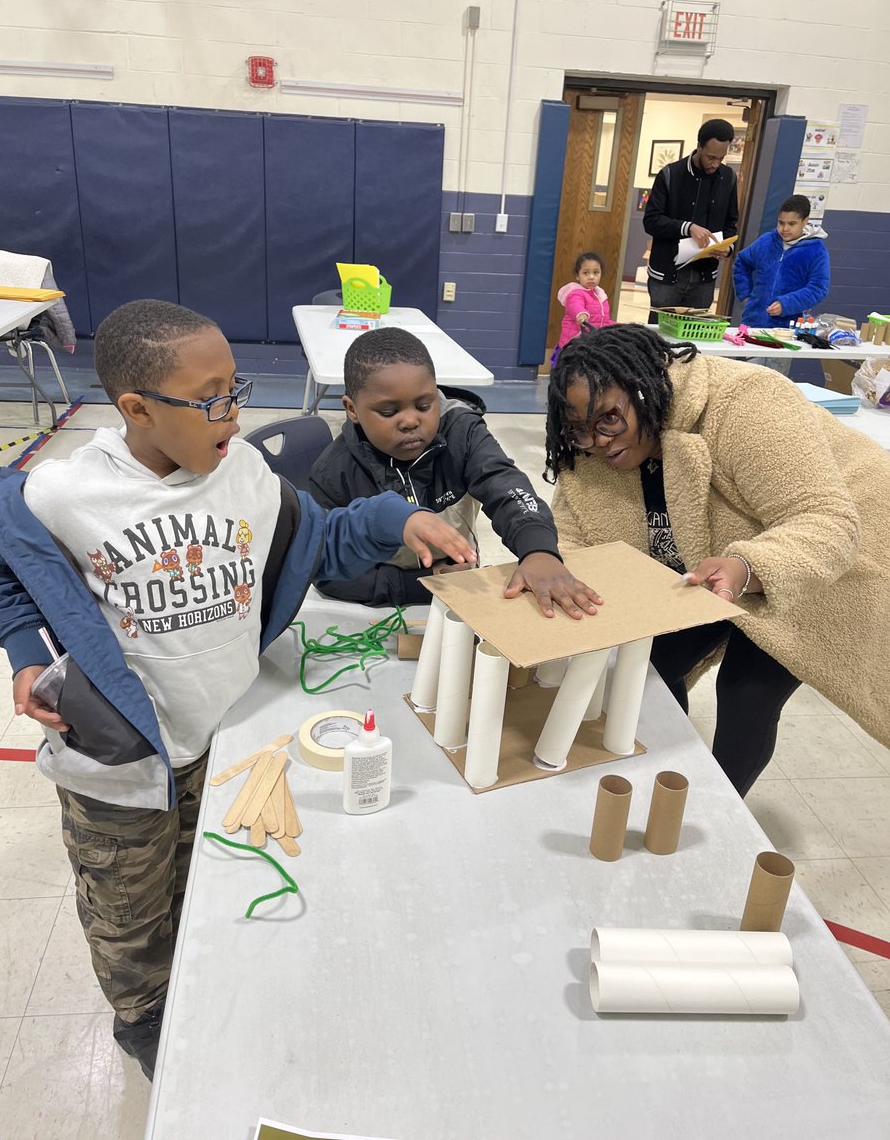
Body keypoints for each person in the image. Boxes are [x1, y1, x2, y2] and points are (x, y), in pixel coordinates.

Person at [0, 300, 478, 1080]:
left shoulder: (241, 472)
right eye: (210, 397)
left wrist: (396, 520)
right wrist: (22, 651)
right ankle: (145, 1022)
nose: (235, 412)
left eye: (234, 388)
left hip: (223, 740)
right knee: (129, 921)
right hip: (118, 770)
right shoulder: (62, 494)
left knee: (203, 887)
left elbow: (318, 538)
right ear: (137, 409)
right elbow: (1, 563)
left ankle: (199, 987)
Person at [544, 324, 890, 796]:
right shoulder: (587, 449)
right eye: (579, 430)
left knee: (747, 694)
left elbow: (826, 521)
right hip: (709, 569)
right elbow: (574, 538)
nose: (597, 442)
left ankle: (714, 810)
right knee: (653, 666)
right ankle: (658, 783)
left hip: (821, 559)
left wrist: (749, 568)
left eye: (608, 420)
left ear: (645, 389)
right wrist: (554, 571)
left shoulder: (747, 402)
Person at [308, 327, 601, 618]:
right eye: (389, 412)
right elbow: (324, 571)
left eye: (424, 405)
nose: (410, 421)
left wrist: (539, 550)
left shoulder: (463, 432)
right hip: (375, 606)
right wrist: (423, 583)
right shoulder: (333, 473)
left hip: (459, 596)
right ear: (352, 409)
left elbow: (506, 486)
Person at [643, 119, 739, 320]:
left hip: (704, 277)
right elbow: (651, 221)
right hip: (667, 275)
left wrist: (728, 248)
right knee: (659, 337)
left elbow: (731, 222)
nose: (715, 164)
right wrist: (687, 228)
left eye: (721, 158)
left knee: (695, 338)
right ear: (698, 147)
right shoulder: (670, 174)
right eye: (711, 157)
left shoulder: (728, 177)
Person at [733, 194, 830, 328]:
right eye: (781, 223)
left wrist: (786, 304)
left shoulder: (816, 250)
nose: (785, 229)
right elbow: (742, 261)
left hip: (785, 329)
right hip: (751, 323)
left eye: (792, 224)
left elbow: (818, 289)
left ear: (805, 221)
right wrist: (745, 295)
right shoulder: (766, 241)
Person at [551, 250, 613, 367]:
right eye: (586, 273)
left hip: (591, 344)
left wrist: (619, 326)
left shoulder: (600, 296)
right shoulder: (575, 293)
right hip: (573, 344)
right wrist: (581, 314)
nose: (591, 277)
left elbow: (603, 321)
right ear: (577, 275)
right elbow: (575, 305)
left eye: (596, 272)